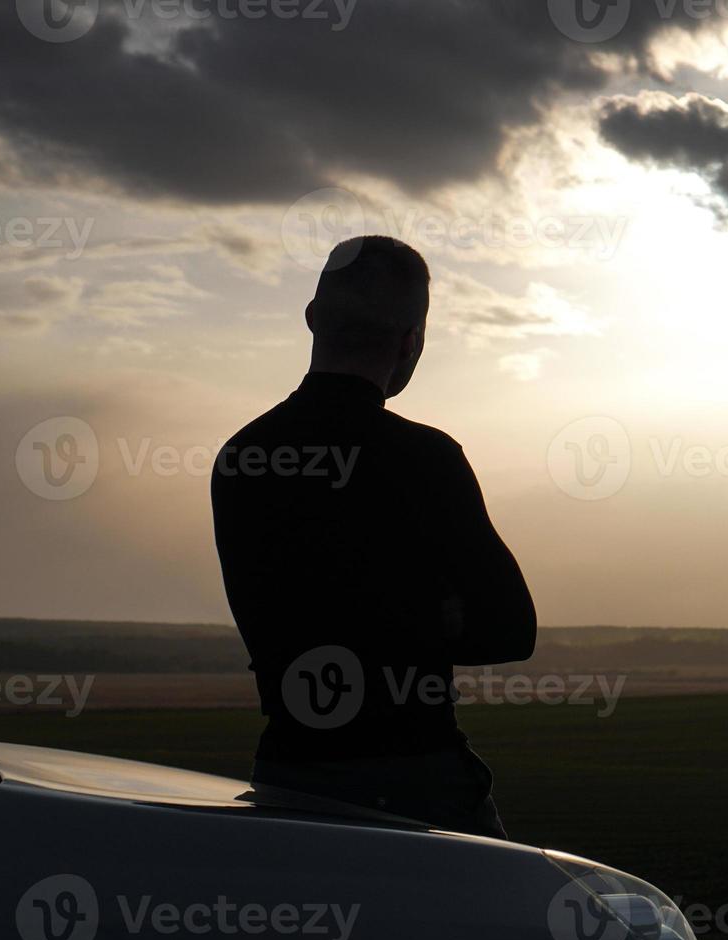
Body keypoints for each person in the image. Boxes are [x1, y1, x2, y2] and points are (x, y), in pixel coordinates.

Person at [211, 235, 536, 839]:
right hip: (419, 777)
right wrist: (430, 614)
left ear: (312, 318)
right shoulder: (427, 457)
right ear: (413, 340)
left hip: (288, 774)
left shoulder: (243, 456)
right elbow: (512, 630)